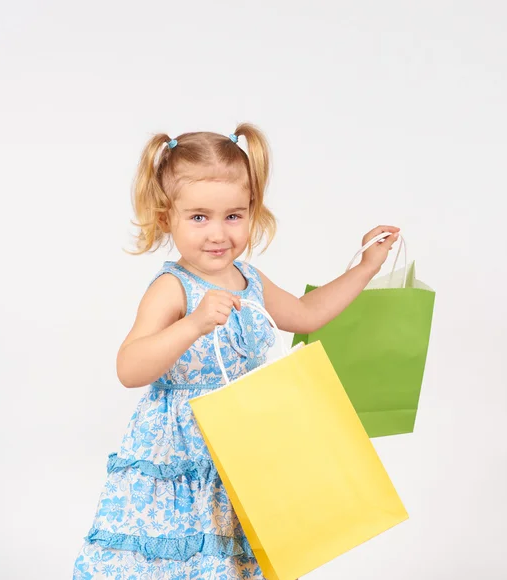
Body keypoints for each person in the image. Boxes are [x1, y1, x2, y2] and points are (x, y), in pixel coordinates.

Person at [72, 123, 400, 579]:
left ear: (252, 212)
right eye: (199, 217)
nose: (218, 233)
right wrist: (193, 323)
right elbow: (129, 368)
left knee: (238, 558)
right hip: (184, 455)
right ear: (168, 219)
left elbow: (306, 314)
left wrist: (365, 268)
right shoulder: (173, 288)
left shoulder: (253, 282)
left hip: (247, 442)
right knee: (181, 558)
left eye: (234, 216)